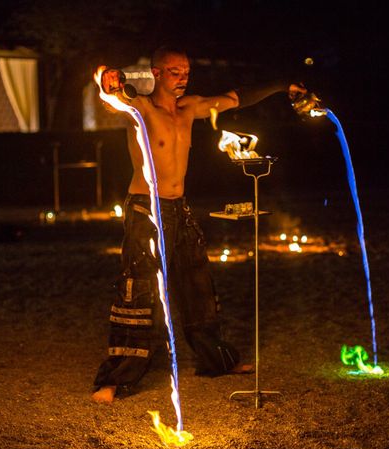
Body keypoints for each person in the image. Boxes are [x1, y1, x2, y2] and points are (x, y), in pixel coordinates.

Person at [92, 45, 306, 403]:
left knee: (198, 286)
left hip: (179, 208)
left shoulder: (190, 108)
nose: (182, 78)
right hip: (146, 210)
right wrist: (109, 77)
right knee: (140, 293)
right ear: (157, 73)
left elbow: (234, 98)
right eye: (175, 72)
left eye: (186, 72)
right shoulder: (141, 108)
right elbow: (109, 89)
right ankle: (116, 379)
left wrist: (282, 85)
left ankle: (216, 361)